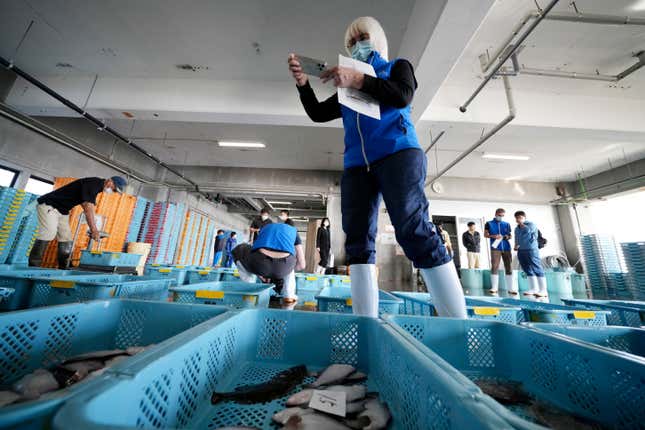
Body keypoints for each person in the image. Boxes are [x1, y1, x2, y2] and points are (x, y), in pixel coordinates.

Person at [288, 16, 466, 318]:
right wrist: (304, 85)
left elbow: (402, 95)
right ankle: (365, 325)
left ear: (377, 38)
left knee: (413, 230)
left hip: (398, 153)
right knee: (356, 242)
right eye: (352, 42)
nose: (358, 45)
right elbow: (318, 113)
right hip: (358, 165)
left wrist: (357, 79)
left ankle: (459, 326)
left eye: (362, 38)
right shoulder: (345, 86)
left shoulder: (397, 67)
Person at [28, 176, 127, 268]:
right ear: (110, 181)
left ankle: (64, 267)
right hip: (50, 205)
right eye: (114, 189)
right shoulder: (93, 184)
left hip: (62, 210)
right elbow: (88, 208)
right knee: (49, 232)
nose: (112, 191)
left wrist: (93, 225)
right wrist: (94, 230)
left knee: (66, 237)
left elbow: (87, 205)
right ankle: (33, 265)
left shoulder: (96, 188)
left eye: (114, 191)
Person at [233, 223, 306, 305]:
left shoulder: (266, 227)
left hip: (260, 264)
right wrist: (287, 271)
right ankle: (289, 294)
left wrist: (258, 273)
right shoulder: (294, 231)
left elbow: (255, 250)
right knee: (291, 262)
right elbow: (302, 265)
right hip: (283, 267)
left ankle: (250, 289)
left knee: (239, 249)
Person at [514, 211, 547, 297]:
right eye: (517, 218)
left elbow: (528, 231)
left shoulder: (531, 225)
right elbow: (516, 238)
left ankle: (543, 290)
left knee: (536, 268)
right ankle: (533, 289)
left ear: (524, 217)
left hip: (531, 249)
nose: (518, 219)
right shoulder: (517, 228)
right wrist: (516, 245)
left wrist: (522, 224)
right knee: (526, 269)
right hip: (521, 250)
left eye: (520, 217)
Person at [484, 208, 513, 294]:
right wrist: (494, 236)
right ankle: (494, 288)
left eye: (502, 216)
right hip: (495, 248)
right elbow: (485, 234)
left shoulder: (507, 224)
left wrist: (504, 237)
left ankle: (511, 288)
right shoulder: (489, 223)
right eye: (499, 215)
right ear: (496, 214)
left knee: (509, 267)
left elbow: (510, 236)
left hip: (506, 248)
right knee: (495, 266)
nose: (501, 217)